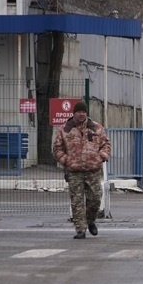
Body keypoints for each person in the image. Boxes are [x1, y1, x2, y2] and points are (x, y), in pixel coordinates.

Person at [53, 100, 112, 239]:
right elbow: (57, 149)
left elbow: (106, 144)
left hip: (93, 169)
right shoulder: (65, 129)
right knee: (77, 201)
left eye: (83, 112)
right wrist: (66, 160)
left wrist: (101, 157)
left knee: (96, 198)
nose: (81, 114)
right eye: (79, 112)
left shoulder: (96, 128)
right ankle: (80, 229)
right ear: (74, 113)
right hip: (74, 171)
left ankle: (90, 220)